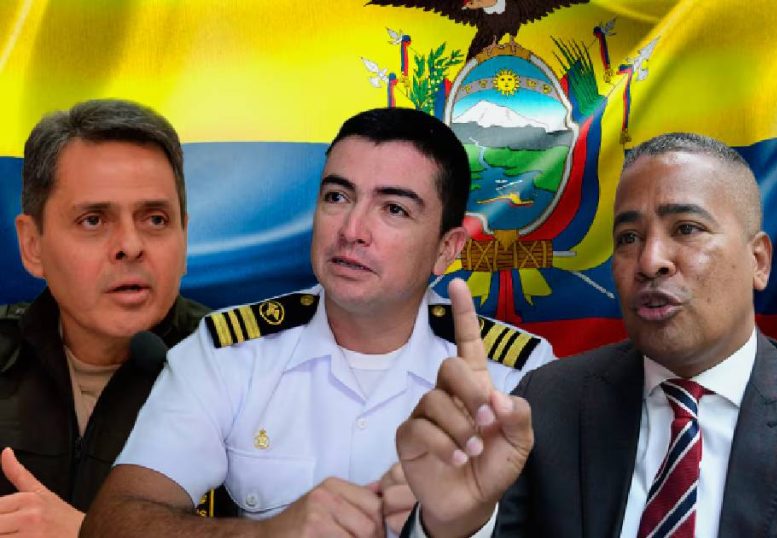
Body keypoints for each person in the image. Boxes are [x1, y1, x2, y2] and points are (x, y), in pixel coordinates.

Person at [396, 132, 777, 537]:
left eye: (687, 229)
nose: (650, 260)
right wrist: (454, 525)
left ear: (758, 261)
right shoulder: (549, 403)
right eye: (629, 237)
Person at [81, 107, 555, 537]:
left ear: (446, 250)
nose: (351, 230)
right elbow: (111, 522)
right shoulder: (228, 353)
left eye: (394, 209)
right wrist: (268, 536)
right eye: (337, 196)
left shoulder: (519, 377)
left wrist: (451, 527)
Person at [0, 99, 210, 537]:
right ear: (32, 245)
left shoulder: (251, 370)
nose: (131, 245)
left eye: (156, 219)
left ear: (184, 237)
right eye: (93, 220)